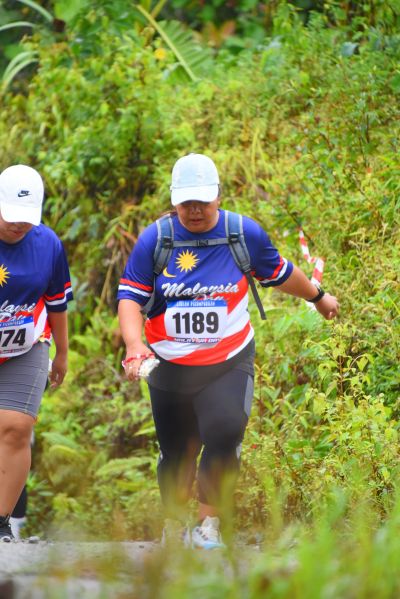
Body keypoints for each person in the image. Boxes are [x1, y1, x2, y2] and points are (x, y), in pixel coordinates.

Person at [117, 153, 339, 549]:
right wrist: (135, 346)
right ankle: (174, 524)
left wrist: (318, 297)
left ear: (218, 195)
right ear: (174, 200)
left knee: (225, 430)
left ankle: (209, 525)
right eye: (187, 202)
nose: (195, 210)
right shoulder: (156, 239)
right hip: (169, 364)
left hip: (228, 359)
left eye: (202, 201)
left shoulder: (242, 233)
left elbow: (280, 272)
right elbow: (130, 298)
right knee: (176, 451)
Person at [0, 165, 73, 542]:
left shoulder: (48, 245)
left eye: (26, 218)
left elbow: (57, 303)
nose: (18, 225)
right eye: (11, 215)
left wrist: (62, 353)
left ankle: (1, 521)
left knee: (16, 427)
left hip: (26, 344)